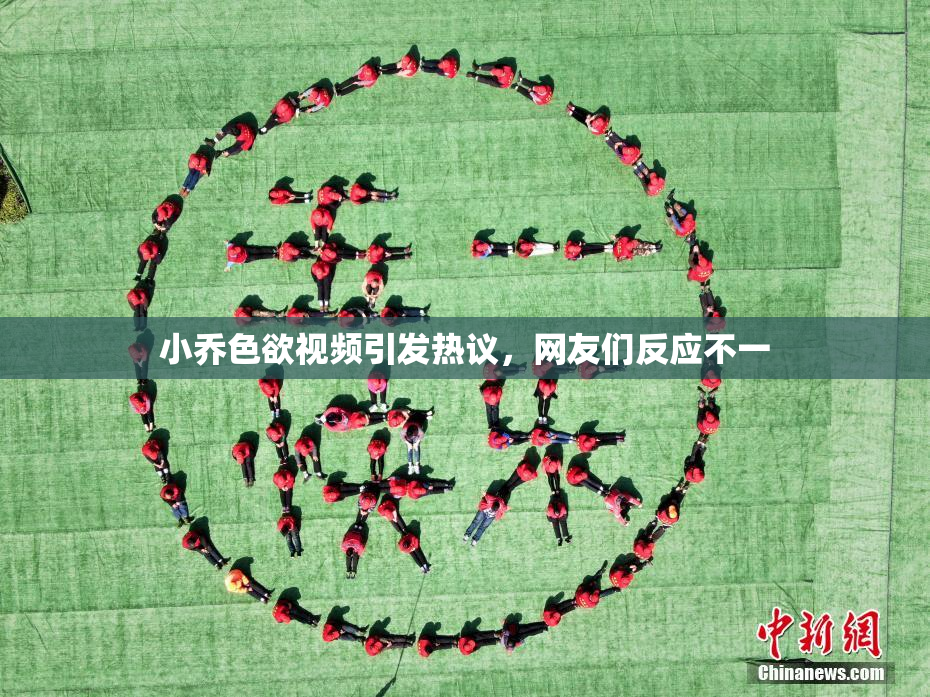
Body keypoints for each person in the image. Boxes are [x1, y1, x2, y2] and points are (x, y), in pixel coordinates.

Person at [342, 513, 367, 579]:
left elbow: (363, 545)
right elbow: (345, 537)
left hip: (357, 536)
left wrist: (356, 553)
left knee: (353, 556)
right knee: (354, 556)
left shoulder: (344, 547)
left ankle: (350, 571)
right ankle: (352, 571)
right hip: (354, 534)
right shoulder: (344, 546)